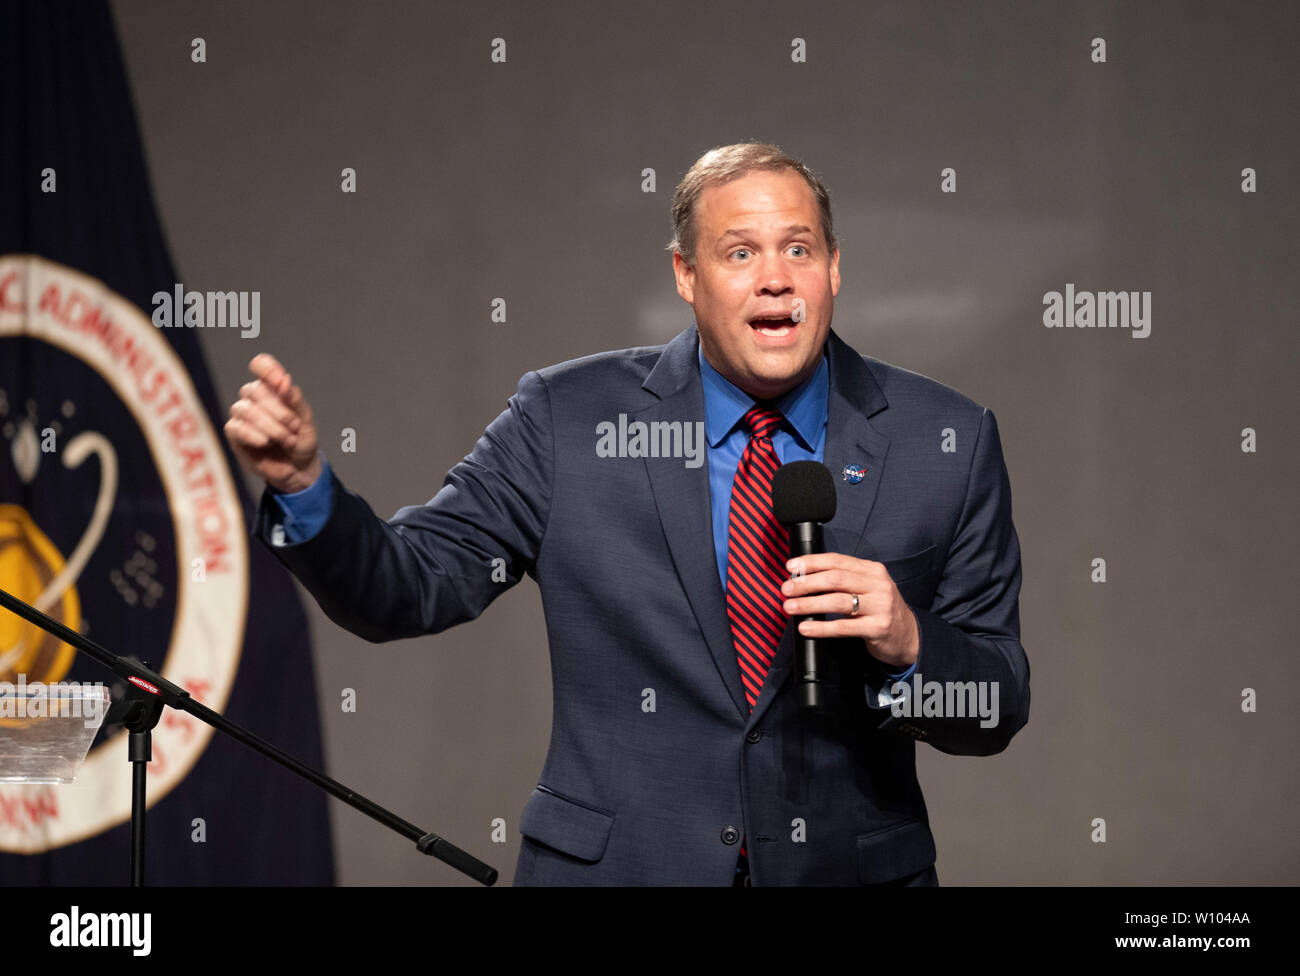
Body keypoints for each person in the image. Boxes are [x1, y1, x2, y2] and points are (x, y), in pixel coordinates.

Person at [224, 142, 1029, 886]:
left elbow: (995, 706)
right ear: (686, 276)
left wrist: (910, 643)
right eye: (740, 252)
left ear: (835, 268)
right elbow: (404, 587)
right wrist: (305, 487)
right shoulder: (566, 420)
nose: (775, 278)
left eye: (799, 249)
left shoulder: (944, 440)